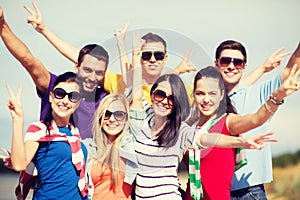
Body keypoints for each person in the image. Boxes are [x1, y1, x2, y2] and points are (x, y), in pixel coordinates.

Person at [128, 38, 278, 199]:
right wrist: (137, 59)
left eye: (172, 98)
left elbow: (212, 137)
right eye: (200, 93)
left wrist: (243, 142)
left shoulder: (186, 129)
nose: (165, 100)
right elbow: (142, 92)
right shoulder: (173, 122)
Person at [183, 66, 299, 200]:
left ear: (221, 95)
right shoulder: (188, 126)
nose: (206, 99)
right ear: (194, 95)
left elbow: (256, 119)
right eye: (200, 93)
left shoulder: (227, 122)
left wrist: (278, 95)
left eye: (212, 93)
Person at [0, 7, 110, 139]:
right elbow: (28, 60)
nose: (92, 78)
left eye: (98, 72)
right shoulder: (58, 88)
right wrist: (2, 24)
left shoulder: (105, 99)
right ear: (77, 66)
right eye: (87, 70)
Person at [213, 40, 300, 199]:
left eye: (238, 62)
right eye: (226, 61)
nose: (231, 66)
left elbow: (290, 71)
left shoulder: (259, 93)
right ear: (216, 64)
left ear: (244, 66)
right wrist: (262, 68)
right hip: (213, 192)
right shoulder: (206, 99)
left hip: (247, 192)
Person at [6, 72, 88, 200]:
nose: (65, 101)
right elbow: (19, 164)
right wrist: (18, 120)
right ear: (51, 97)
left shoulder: (76, 134)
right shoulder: (40, 130)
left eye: (73, 96)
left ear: (77, 103)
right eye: (60, 94)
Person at [82, 93, 137, 199]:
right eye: (106, 114)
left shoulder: (132, 146)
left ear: (126, 118)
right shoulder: (87, 147)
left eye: (119, 114)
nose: (112, 119)